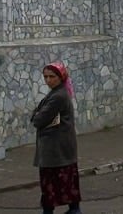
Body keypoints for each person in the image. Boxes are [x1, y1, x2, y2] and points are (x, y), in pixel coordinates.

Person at [31, 62, 82, 214]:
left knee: (53, 183)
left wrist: (37, 115)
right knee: (65, 182)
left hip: (56, 150)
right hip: (59, 150)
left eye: (52, 76)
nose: (48, 80)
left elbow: (38, 119)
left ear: (60, 77)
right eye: (45, 77)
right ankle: (73, 209)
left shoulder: (58, 96)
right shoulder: (56, 93)